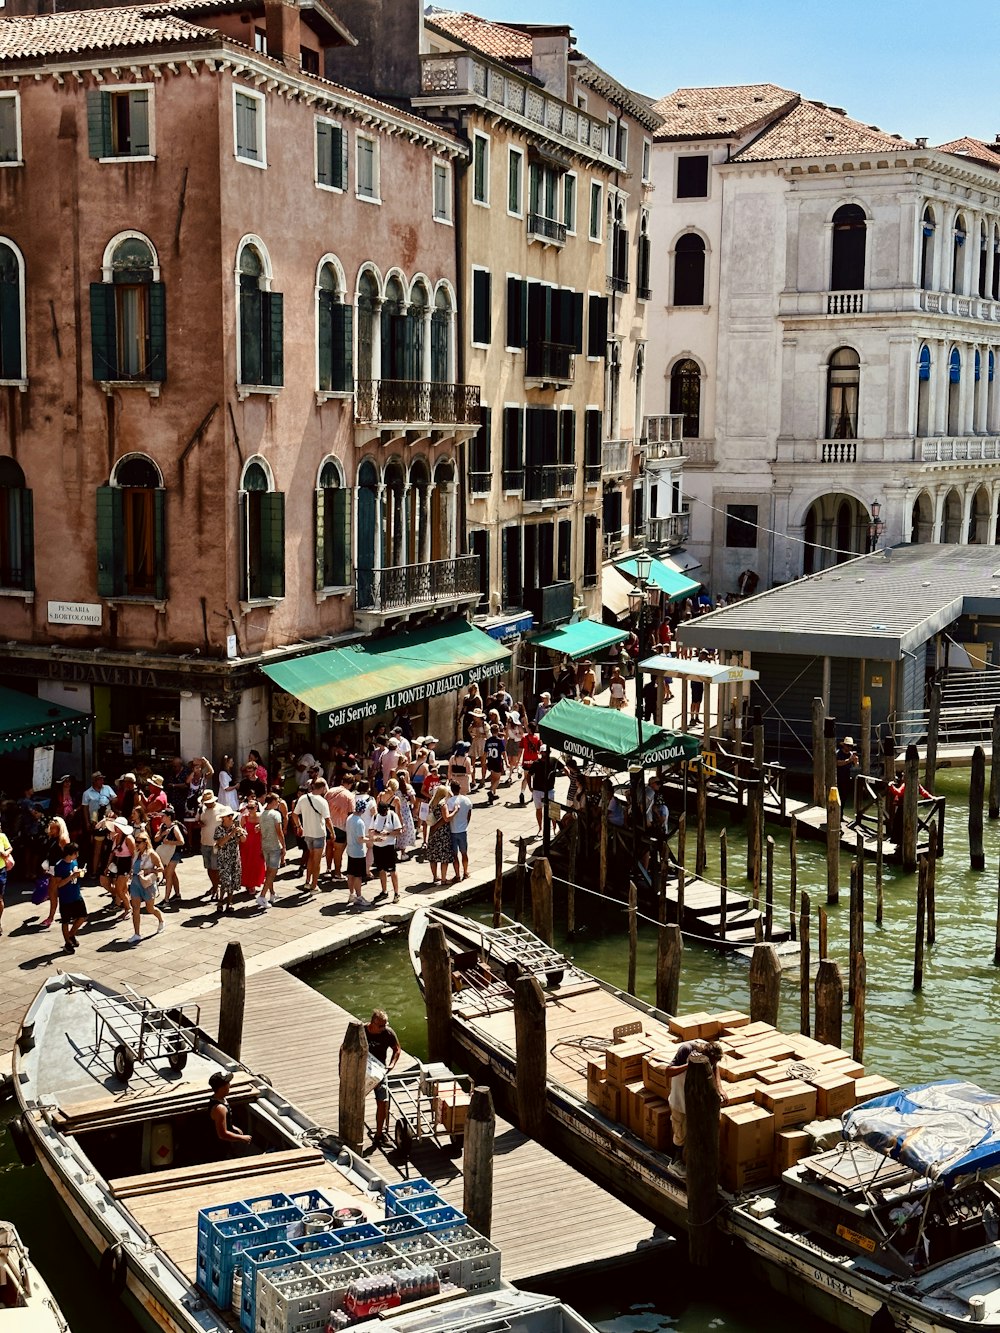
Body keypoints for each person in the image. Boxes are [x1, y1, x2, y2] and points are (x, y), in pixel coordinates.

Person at [666, 1040, 726, 1171]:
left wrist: (720, 1088)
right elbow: (668, 1071)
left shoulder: (710, 1055)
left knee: (695, 1135)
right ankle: (674, 1163)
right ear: (704, 1055)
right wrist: (689, 1066)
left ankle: (693, 1165)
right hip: (679, 1100)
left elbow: (715, 1068)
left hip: (696, 1104)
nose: (712, 1065)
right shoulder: (686, 1050)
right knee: (680, 1134)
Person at [364, 1009, 401, 1146]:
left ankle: (379, 1134)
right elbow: (344, 1048)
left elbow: (397, 1048)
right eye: (381, 1026)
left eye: (385, 1025)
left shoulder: (388, 1033)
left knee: (383, 1101)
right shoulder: (361, 1031)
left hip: (379, 1071)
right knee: (356, 1101)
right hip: (361, 1070)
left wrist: (391, 1064)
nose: (383, 1028)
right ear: (372, 1023)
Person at [292, 779, 334, 892]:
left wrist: (299, 826)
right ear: (323, 788)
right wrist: (332, 832)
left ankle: (307, 881)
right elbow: (327, 819)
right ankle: (314, 885)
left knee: (310, 857)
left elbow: (295, 815)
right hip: (319, 833)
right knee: (317, 861)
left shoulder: (303, 798)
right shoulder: (322, 801)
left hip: (307, 833)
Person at [127, 829, 165, 943]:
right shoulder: (135, 853)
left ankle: (161, 920)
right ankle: (137, 933)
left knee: (150, 908)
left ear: (145, 842)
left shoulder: (151, 854)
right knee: (136, 908)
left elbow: (161, 868)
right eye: (136, 841)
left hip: (147, 884)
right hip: (135, 882)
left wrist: (150, 869)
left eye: (139, 842)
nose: (136, 844)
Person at [52, 842, 87, 954]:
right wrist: (71, 876)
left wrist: (81, 873)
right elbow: (59, 884)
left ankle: (71, 934)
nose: (77, 855)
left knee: (82, 916)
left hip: (76, 894)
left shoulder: (74, 862)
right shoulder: (60, 866)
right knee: (65, 921)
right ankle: (67, 942)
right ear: (71, 854)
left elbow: (76, 874)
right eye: (76, 853)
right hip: (66, 898)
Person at [100, 814, 134, 920]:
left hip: (126, 863)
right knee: (116, 886)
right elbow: (112, 853)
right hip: (117, 862)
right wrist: (107, 866)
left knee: (120, 888)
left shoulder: (128, 838)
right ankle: (124, 903)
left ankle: (128, 908)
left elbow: (134, 854)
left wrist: (132, 869)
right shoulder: (116, 837)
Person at [208, 1070, 253, 1151]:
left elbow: (226, 1122)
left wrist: (233, 1128)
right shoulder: (220, 1108)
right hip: (218, 1147)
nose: (229, 1085)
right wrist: (242, 1138)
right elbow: (222, 1134)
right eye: (227, 1084)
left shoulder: (221, 1099)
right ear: (221, 1088)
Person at [370, 792, 402, 903]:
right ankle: (384, 891)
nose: (383, 815)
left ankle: (397, 893)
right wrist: (376, 836)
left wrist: (387, 833)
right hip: (378, 846)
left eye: (384, 813)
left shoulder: (392, 815)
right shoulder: (375, 817)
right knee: (381, 870)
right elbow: (371, 831)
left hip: (389, 846)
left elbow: (399, 831)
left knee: (392, 870)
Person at [257, 792, 286, 910]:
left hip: (265, 846)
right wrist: (284, 846)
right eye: (277, 800)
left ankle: (272, 894)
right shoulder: (275, 814)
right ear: (272, 802)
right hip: (274, 846)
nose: (278, 802)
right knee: (272, 872)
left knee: (269, 871)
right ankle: (262, 896)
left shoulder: (262, 814)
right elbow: (279, 832)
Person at [214, 806, 245, 913]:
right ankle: (221, 901)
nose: (231, 818)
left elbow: (244, 840)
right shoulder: (219, 829)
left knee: (233, 880)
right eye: (229, 816)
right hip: (223, 858)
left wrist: (240, 831)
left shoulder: (236, 826)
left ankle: (229, 902)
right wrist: (231, 834)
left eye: (232, 816)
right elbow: (220, 843)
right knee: (225, 880)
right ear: (224, 818)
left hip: (234, 857)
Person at [325, 774, 355, 880]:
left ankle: (328, 870)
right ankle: (337, 873)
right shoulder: (349, 796)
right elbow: (351, 813)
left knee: (328, 846)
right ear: (350, 784)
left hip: (328, 824)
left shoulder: (330, 791)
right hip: (341, 826)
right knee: (338, 850)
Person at [154, 806, 185, 907]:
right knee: (172, 874)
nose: (161, 817)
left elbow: (181, 842)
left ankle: (166, 899)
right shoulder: (163, 826)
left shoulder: (175, 827)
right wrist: (163, 834)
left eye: (163, 816)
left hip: (174, 853)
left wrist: (169, 842)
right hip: (167, 854)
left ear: (168, 817)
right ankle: (177, 894)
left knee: (168, 875)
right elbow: (156, 839)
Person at [529, 747, 565, 834]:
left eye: (548, 752)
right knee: (539, 809)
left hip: (549, 789)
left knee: (553, 809)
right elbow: (529, 774)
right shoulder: (536, 763)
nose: (546, 753)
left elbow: (564, 768)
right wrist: (530, 787)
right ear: (541, 753)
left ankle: (554, 828)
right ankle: (540, 828)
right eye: (545, 752)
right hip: (538, 790)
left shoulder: (553, 760)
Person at [426, 779, 453, 885]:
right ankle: (443, 879)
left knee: (433, 856)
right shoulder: (443, 804)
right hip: (442, 832)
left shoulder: (432, 803)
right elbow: (446, 818)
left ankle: (435, 877)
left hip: (433, 832)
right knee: (444, 857)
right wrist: (455, 811)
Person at [445, 780, 473, 881]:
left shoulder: (449, 802)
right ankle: (465, 872)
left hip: (452, 830)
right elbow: (469, 815)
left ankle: (457, 875)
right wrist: (465, 824)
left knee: (454, 855)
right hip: (463, 830)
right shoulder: (467, 800)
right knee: (464, 853)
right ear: (460, 788)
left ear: (451, 789)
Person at [197, 791, 222, 900]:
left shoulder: (222, 809)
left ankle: (216, 888)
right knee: (209, 867)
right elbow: (197, 820)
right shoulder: (201, 809)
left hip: (216, 843)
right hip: (205, 841)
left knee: (215, 867)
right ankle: (214, 886)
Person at [345, 797, 369, 908]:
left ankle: (351, 894)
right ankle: (359, 897)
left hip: (350, 850)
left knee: (350, 874)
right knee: (358, 876)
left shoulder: (350, 818)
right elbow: (360, 839)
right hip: (358, 852)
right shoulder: (360, 822)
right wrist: (373, 839)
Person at [239, 798, 266, 895]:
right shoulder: (245, 817)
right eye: (248, 807)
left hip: (258, 843)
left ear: (256, 807)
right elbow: (240, 829)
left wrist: (260, 827)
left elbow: (267, 829)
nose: (249, 809)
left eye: (252, 807)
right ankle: (249, 884)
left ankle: (254, 883)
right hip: (247, 843)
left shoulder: (261, 817)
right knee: (247, 864)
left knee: (257, 863)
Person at [484, 723, 507, 803]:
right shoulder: (500, 741)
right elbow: (503, 753)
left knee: (493, 778)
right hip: (497, 761)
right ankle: (491, 791)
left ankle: (493, 794)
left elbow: (485, 752)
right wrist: (507, 763)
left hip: (490, 761)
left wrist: (483, 762)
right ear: (498, 731)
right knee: (497, 779)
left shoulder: (488, 741)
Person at [836, 735, 858, 802]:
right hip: (838, 778)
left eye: (851, 746)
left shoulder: (851, 754)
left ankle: (841, 811)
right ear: (844, 745)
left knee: (844, 797)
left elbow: (856, 767)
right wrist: (849, 760)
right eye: (848, 746)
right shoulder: (838, 753)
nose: (849, 748)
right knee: (838, 797)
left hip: (847, 778)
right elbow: (837, 763)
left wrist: (855, 762)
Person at [0, 819, 12, 936]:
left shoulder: (2, 836)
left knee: (0, 898)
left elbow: (9, 848)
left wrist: (5, 853)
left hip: (1, 870)